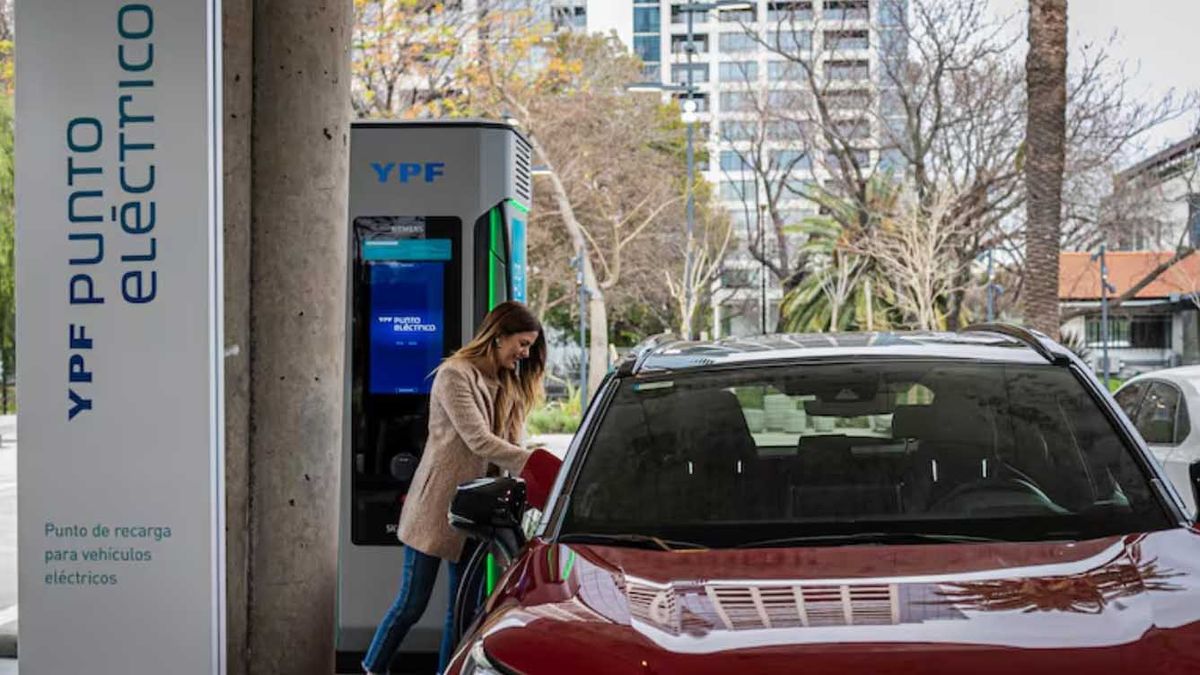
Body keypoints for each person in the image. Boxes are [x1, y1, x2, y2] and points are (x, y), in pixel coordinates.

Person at [363, 301, 546, 675]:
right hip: (436, 506)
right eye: (522, 344)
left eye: (530, 346)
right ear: (498, 337)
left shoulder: (509, 382)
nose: (525, 354)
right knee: (411, 604)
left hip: (478, 511)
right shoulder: (454, 375)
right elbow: (478, 440)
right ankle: (372, 668)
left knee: (462, 611)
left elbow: (511, 444)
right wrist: (538, 462)